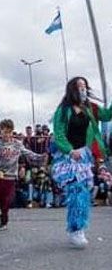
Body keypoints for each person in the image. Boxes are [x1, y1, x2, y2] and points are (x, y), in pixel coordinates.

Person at [50, 77, 112, 249]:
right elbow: (59, 133)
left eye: (85, 86)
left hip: (84, 156)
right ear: (72, 90)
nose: (83, 89)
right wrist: (70, 150)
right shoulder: (63, 110)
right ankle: (76, 229)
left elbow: (107, 115)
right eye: (79, 87)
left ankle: (78, 228)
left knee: (83, 192)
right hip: (68, 157)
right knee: (76, 190)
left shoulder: (90, 108)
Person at [0, 119, 46, 231]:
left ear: (12, 131)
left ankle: (3, 223)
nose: (6, 135)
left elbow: (28, 153)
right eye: (4, 132)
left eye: (9, 132)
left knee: (6, 201)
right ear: (1, 132)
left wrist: (40, 156)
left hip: (11, 177)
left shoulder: (17, 144)